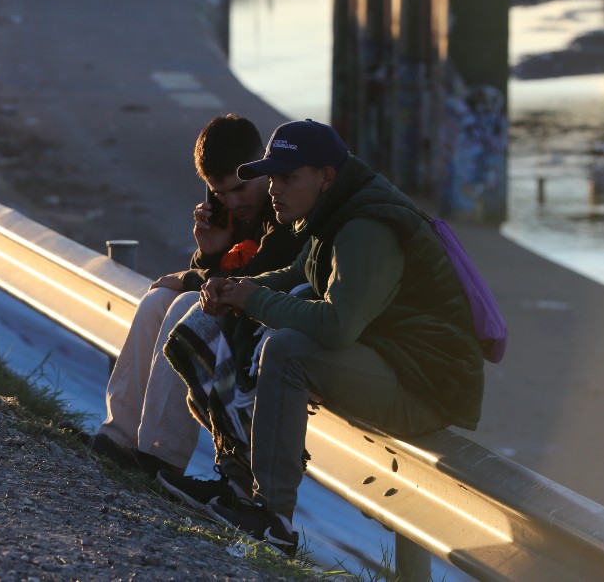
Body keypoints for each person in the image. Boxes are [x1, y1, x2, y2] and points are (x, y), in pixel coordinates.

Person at [166, 118, 485, 557]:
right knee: (248, 328)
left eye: (288, 177)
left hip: (425, 384)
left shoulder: (365, 226)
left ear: (325, 177)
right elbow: (301, 274)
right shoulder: (331, 209)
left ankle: (272, 520)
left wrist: (252, 299)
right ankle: (241, 488)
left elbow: (338, 325)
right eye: (273, 176)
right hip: (390, 360)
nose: (274, 188)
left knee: (288, 351)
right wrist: (234, 286)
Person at [89, 114, 301, 476]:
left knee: (187, 302)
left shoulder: (281, 207)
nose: (232, 203)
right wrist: (208, 252)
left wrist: (190, 275)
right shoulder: (233, 213)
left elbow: (249, 278)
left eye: (240, 189)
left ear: (262, 170)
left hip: (269, 326)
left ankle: (160, 455)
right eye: (220, 194)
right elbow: (221, 275)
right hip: (233, 314)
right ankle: (118, 437)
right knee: (156, 302)